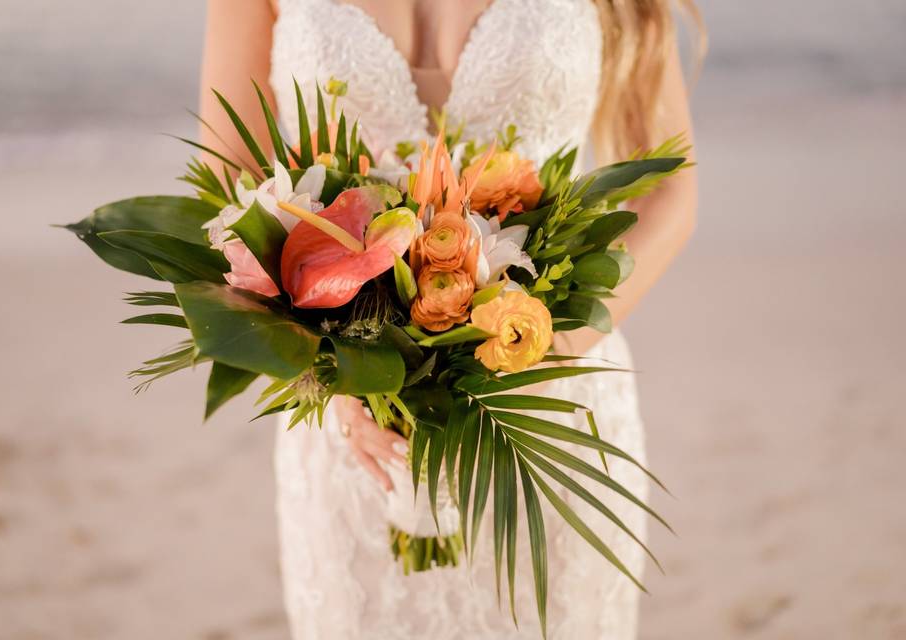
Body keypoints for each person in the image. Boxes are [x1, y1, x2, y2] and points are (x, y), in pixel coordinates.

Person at [199, 1, 702, 637]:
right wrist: (327, 373)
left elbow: (669, 190)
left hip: (546, 412)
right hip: (353, 427)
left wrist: (549, 351)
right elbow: (230, 189)